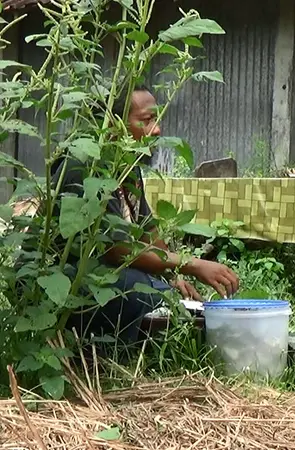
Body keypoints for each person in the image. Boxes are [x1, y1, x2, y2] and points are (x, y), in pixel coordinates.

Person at [54, 85, 239, 344]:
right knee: (143, 293)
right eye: (146, 120)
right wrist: (192, 264)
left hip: (103, 273)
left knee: (167, 296)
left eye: (157, 118)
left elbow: (149, 229)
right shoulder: (85, 165)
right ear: (114, 125)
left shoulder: (127, 166)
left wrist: (172, 276)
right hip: (65, 280)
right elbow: (116, 249)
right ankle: (100, 347)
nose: (158, 129)